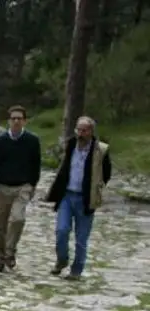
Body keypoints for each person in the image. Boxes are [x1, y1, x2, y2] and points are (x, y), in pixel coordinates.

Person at [44, 116, 112, 280]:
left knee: (81, 239)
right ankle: (61, 260)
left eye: (84, 130)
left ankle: (76, 271)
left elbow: (106, 173)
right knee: (61, 230)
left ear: (91, 132)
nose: (80, 133)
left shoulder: (100, 150)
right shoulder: (70, 145)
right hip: (67, 195)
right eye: (78, 130)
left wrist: (96, 187)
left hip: (85, 199)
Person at [0, 105, 43, 272]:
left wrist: (32, 185)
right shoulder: (0, 141)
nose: (16, 121)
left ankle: (10, 252)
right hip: (2, 186)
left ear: (24, 121)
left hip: (22, 186)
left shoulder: (32, 141)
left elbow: (36, 165)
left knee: (18, 219)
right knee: (0, 227)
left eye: (19, 118)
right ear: (8, 121)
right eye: (13, 118)